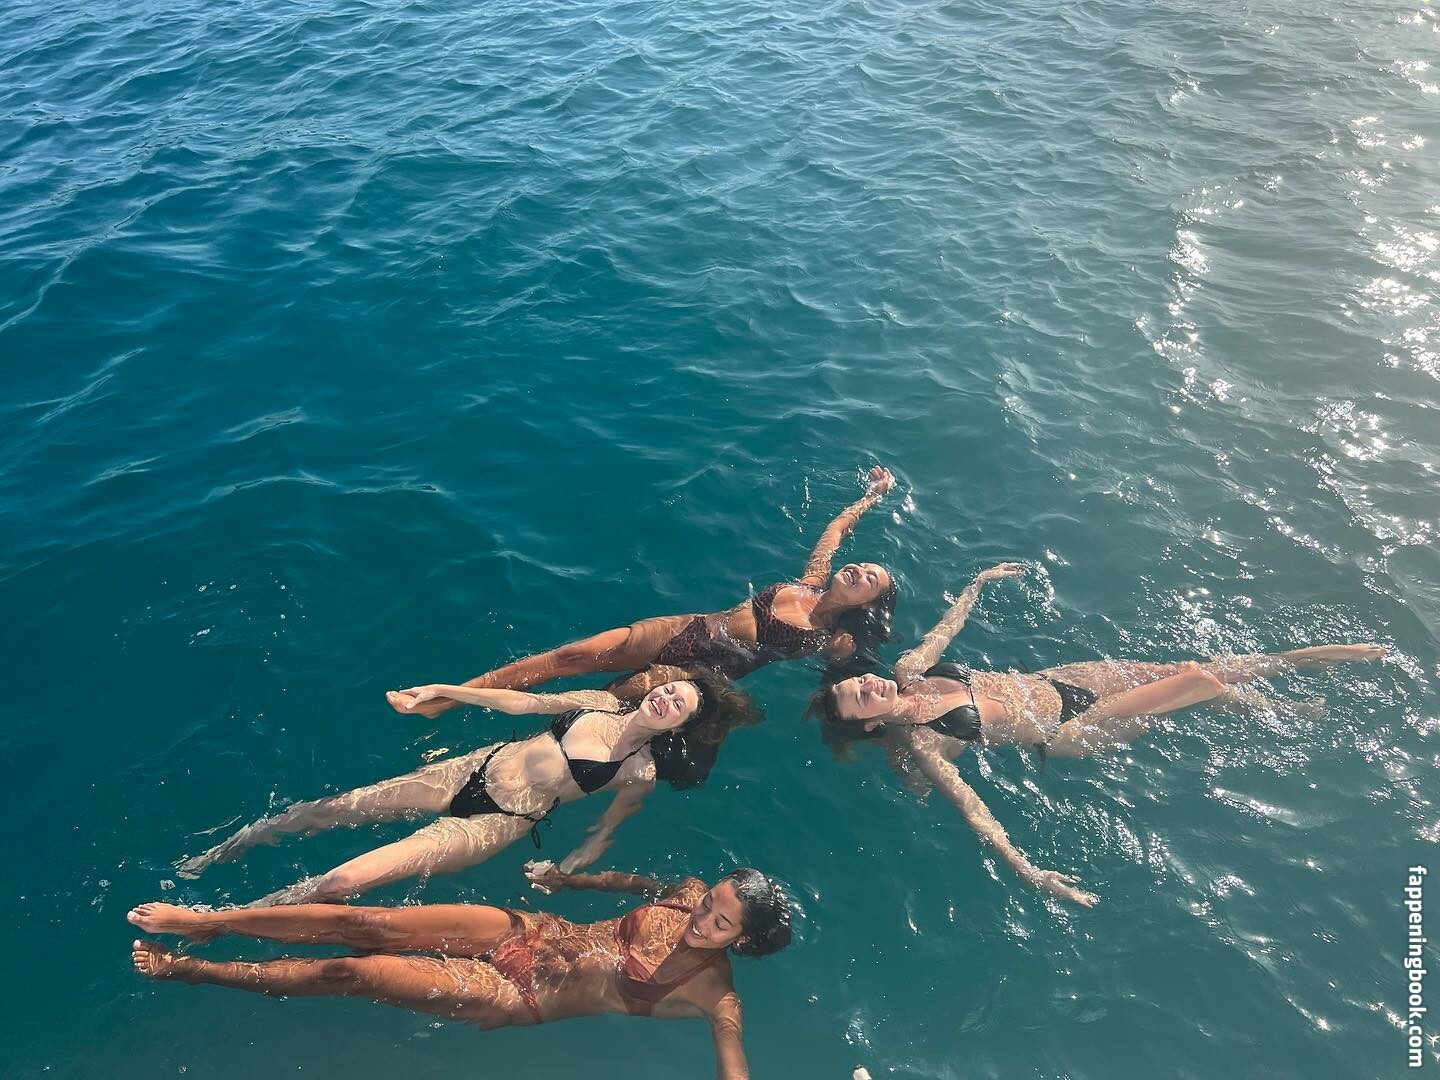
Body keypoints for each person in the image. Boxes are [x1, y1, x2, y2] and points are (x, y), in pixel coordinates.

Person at [812, 562, 1387, 906]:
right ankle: (1300, 680)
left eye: (858, 680)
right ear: (870, 722)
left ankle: (1293, 693)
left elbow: (946, 629)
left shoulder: (911, 669)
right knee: (1199, 679)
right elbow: (973, 810)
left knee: (1189, 672)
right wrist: (1031, 872)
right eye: (860, 696)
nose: (867, 682)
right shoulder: (925, 743)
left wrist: (978, 584)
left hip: (1062, 681)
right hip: (1071, 729)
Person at [129, 864, 792, 1080]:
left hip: (518, 993)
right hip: (533, 931)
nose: (702, 919)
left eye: (720, 925)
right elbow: (639, 883)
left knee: (353, 973)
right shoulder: (687, 894)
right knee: (370, 924)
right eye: (708, 905)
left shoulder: (715, 994)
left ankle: (198, 970)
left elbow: (733, 1063)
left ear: (742, 942)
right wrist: (570, 879)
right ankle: (211, 920)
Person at [179, 673, 760, 905]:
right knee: (322, 810)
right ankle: (225, 849)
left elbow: (603, 832)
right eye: (669, 690)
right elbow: (523, 703)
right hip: (466, 771)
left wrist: (567, 867)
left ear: (679, 726)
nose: (665, 699)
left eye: (678, 705)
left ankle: (237, 915)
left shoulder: (639, 773)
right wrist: (446, 691)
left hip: (494, 823)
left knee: (343, 881)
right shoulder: (598, 702)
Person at [387, 467, 899, 718]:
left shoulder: (831, 639)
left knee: (598, 705)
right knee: (570, 655)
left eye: (870, 579)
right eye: (863, 566)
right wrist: (871, 496)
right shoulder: (809, 582)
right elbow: (835, 530)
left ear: (867, 606)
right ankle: (447, 697)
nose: (859, 571)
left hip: (702, 671)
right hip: (688, 628)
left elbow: (845, 679)